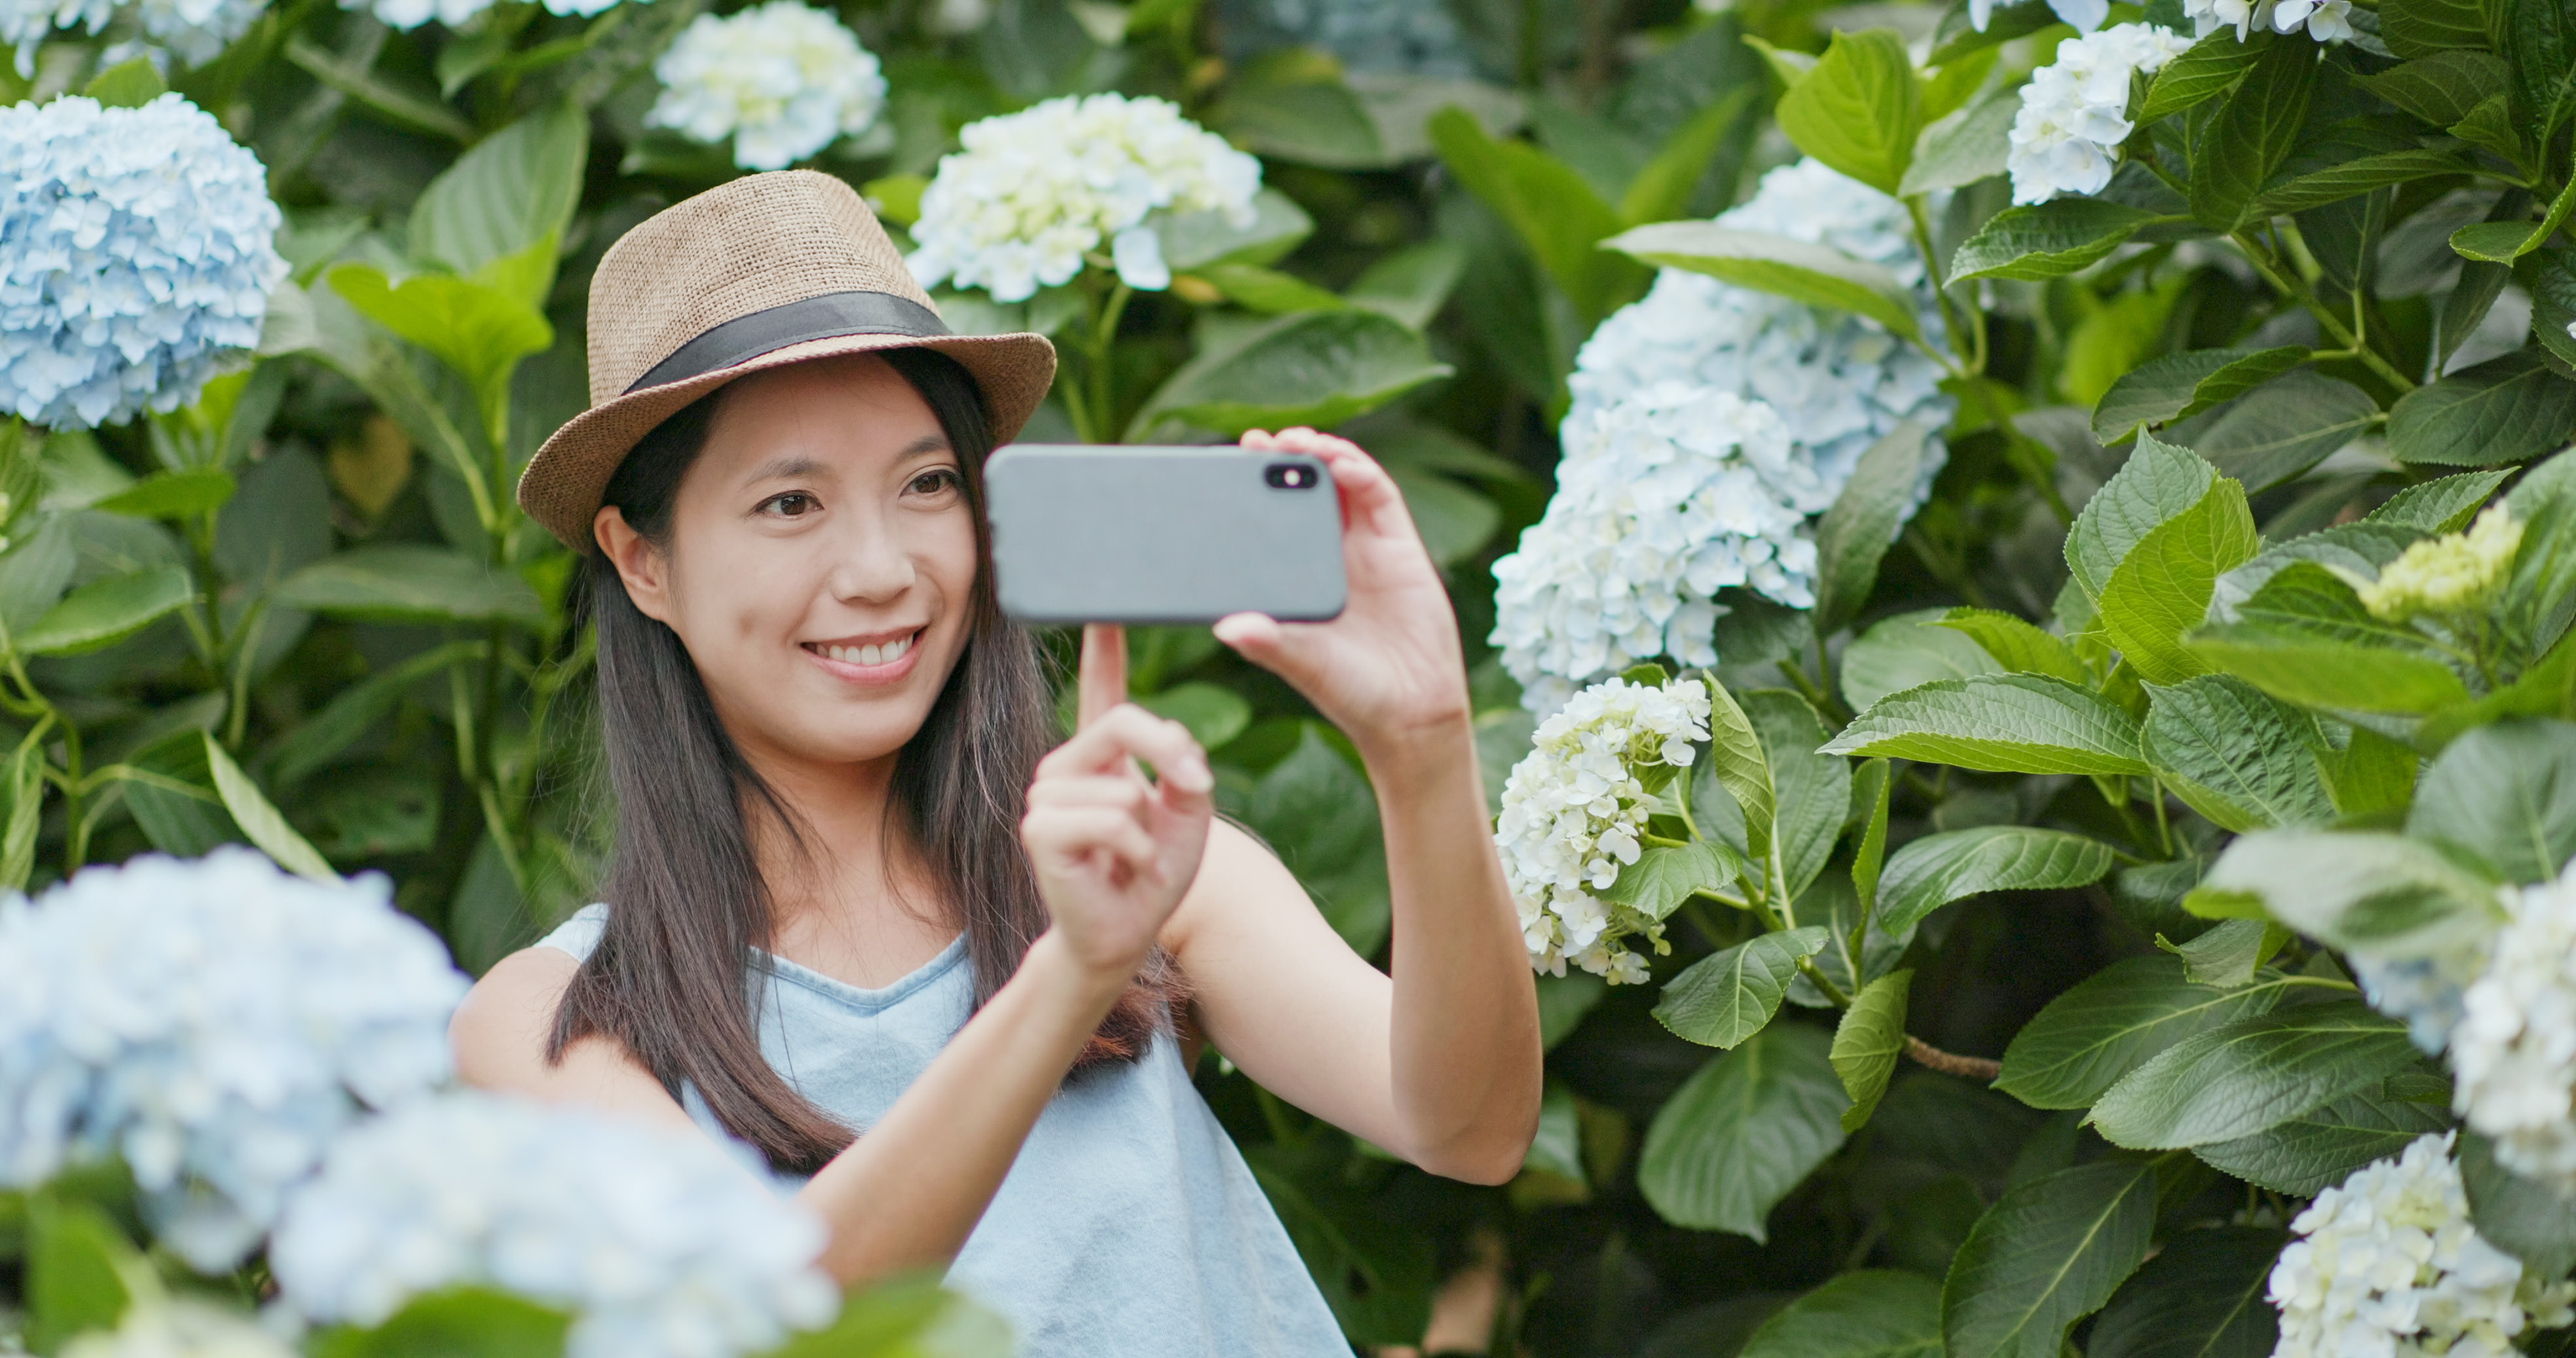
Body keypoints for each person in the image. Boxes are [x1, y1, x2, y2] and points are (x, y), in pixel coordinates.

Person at [448, 170, 1542, 1356]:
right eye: (789, 504)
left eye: (926, 485)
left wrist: (1423, 753)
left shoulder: (1147, 871)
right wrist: (1072, 974)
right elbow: (770, 1325)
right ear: (642, 561)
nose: (880, 568)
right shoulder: (553, 1020)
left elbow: (1471, 1128)